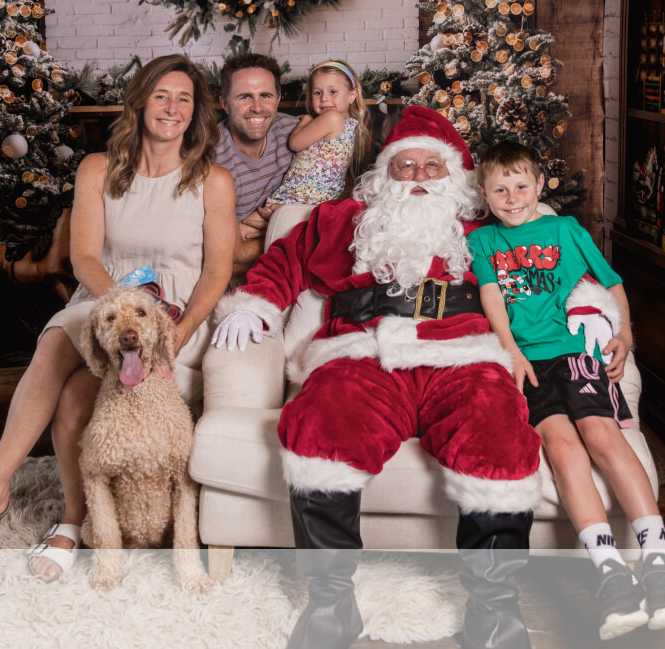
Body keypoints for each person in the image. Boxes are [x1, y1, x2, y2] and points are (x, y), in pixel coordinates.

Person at [0, 55, 237, 583]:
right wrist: (117, 310)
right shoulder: (98, 168)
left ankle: (66, 519)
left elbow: (216, 273)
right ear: (140, 101)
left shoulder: (213, 181)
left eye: (184, 99)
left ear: (196, 113)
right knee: (59, 339)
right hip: (103, 299)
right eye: (161, 95)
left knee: (79, 394)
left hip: (173, 317)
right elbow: (83, 258)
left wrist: (174, 332)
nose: (172, 108)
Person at [212, 105, 542, 649]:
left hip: (462, 356)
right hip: (364, 353)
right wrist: (255, 305)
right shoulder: (342, 219)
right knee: (320, 425)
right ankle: (331, 606)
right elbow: (284, 260)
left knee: (499, 435)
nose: (417, 176)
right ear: (384, 173)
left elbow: (550, 267)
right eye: (404, 165)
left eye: (431, 165)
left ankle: (495, 611)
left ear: (455, 173)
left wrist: (591, 309)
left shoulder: (486, 227)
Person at [466, 140, 665, 640]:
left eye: (521, 186)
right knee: (561, 449)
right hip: (530, 363)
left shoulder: (566, 230)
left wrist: (625, 333)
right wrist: (511, 352)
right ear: (483, 194)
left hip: (575, 352)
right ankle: (612, 574)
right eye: (500, 190)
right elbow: (492, 298)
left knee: (600, 435)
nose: (512, 198)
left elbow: (611, 283)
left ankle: (662, 566)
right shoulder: (483, 242)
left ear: (539, 186)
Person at [214, 53, 298, 278]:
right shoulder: (210, 157)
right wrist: (290, 229)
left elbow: (336, 191)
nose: (258, 107)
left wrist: (283, 220)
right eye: (245, 97)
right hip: (234, 281)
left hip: (285, 271)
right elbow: (232, 258)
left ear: (278, 100)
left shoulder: (297, 134)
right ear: (225, 103)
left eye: (266, 96)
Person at [264, 60, 369, 207]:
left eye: (333, 92)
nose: (324, 98)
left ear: (352, 95)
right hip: (313, 198)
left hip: (302, 197)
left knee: (247, 221)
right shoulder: (346, 123)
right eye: (318, 92)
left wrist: (306, 120)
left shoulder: (332, 117)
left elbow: (294, 143)